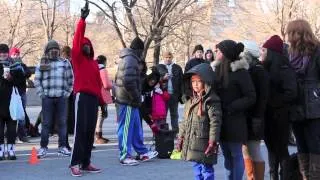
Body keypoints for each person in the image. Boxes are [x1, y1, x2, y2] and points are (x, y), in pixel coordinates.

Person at [212, 40, 256, 180]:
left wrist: (232, 107)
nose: (216, 52)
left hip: (235, 121)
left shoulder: (241, 72)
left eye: (218, 50)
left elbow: (250, 96)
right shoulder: (216, 70)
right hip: (220, 120)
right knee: (226, 155)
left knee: (236, 155)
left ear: (225, 53)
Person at [69, 1, 104, 176]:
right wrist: (81, 21)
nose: (86, 46)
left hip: (93, 99)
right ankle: (74, 163)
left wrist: (102, 101)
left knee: (90, 131)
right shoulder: (78, 59)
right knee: (80, 130)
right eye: (84, 44)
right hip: (81, 97)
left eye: (88, 44)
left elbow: (99, 84)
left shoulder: (94, 64)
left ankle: (86, 162)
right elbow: (76, 41)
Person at [115, 36, 158, 166]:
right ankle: (124, 155)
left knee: (135, 127)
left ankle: (142, 152)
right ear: (139, 49)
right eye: (142, 50)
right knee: (126, 128)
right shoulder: (130, 60)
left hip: (130, 99)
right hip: (127, 100)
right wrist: (136, 96)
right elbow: (128, 81)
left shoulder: (131, 59)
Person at [260, 35, 297, 180]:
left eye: (264, 50)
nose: (261, 53)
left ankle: (285, 176)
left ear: (271, 52)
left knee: (281, 150)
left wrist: (274, 101)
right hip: (268, 116)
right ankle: (273, 176)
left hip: (281, 116)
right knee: (271, 150)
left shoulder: (284, 68)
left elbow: (292, 92)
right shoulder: (265, 68)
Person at [286, 19, 320, 179]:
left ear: (301, 33)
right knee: (301, 146)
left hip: (314, 107)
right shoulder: (289, 53)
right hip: (295, 106)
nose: (289, 37)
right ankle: (305, 176)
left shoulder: (317, 51)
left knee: (315, 147)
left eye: (292, 33)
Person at [177, 63, 222, 180]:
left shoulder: (211, 101)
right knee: (197, 169)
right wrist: (181, 137)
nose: (195, 85)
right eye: (193, 82)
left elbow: (215, 123)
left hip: (205, 142)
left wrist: (212, 142)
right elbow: (185, 121)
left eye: (199, 81)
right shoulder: (190, 100)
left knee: (207, 170)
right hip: (192, 142)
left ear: (206, 82)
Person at [34, 39, 74, 159]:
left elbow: (71, 79)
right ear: (47, 51)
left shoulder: (65, 63)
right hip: (47, 98)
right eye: (51, 49)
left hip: (62, 97)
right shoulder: (42, 63)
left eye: (56, 49)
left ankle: (62, 147)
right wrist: (42, 94)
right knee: (46, 124)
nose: (54, 51)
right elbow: (37, 80)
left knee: (62, 123)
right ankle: (43, 148)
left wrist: (67, 93)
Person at [241, 40, 269, 179]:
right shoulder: (250, 69)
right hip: (248, 117)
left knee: (254, 150)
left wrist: (257, 117)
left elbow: (263, 97)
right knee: (246, 150)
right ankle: (251, 177)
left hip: (255, 117)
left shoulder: (259, 71)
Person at [0, 44, 25, 160]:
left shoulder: (15, 65)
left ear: (8, 53)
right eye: (1, 52)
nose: (3, 54)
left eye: (5, 52)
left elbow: (21, 81)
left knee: (11, 127)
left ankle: (11, 150)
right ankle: (1, 150)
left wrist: (11, 78)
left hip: (12, 100)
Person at [156, 51, 184, 132]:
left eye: (169, 57)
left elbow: (181, 82)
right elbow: (154, 81)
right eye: (166, 57)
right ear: (163, 58)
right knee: (163, 115)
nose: (168, 59)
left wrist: (181, 95)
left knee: (174, 114)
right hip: (163, 95)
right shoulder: (158, 67)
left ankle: (175, 132)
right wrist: (163, 78)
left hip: (174, 95)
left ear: (172, 58)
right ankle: (163, 132)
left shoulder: (177, 68)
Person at [9, 47, 32, 143]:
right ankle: (12, 136)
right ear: (11, 55)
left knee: (22, 114)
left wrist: (22, 70)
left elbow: (28, 73)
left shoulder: (22, 65)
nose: (16, 56)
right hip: (12, 93)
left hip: (21, 92)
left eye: (17, 54)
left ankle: (22, 135)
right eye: (14, 54)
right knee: (12, 114)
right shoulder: (9, 66)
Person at [95, 55, 112, 144]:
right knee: (101, 116)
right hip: (102, 96)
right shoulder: (103, 70)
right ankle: (98, 136)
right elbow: (106, 85)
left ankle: (98, 135)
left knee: (97, 115)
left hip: (95, 95)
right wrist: (112, 85)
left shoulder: (94, 69)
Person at [139, 67, 161, 134]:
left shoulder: (153, 87)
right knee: (138, 122)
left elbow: (149, 102)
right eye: (151, 80)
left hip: (144, 106)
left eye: (155, 80)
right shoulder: (142, 86)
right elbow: (141, 107)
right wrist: (150, 123)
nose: (153, 81)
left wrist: (150, 113)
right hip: (135, 105)